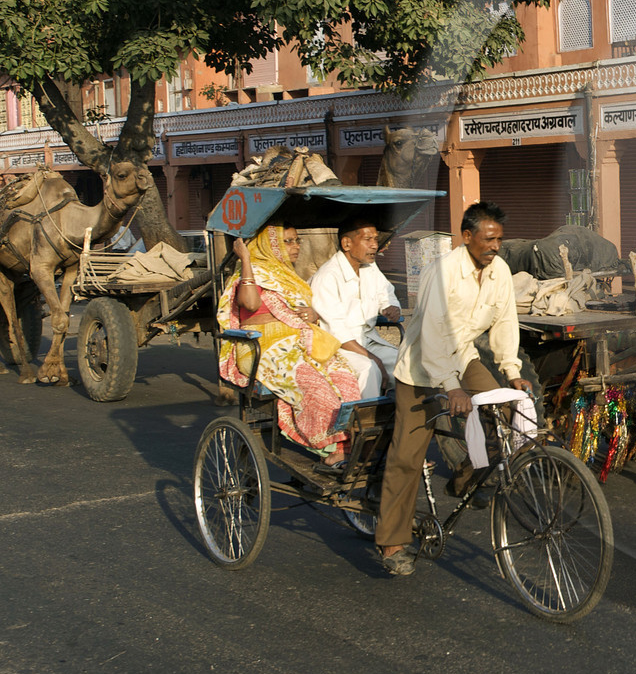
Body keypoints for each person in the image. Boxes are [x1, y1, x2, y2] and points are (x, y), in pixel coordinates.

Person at [374, 201, 533, 577]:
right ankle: (392, 541)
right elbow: (432, 333)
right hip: (420, 370)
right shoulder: (442, 272)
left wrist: (512, 371)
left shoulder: (500, 271)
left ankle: (466, 478)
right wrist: (451, 387)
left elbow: (506, 322)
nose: (495, 246)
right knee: (407, 457)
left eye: (499, 239)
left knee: (503, 414)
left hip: (462, 358)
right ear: (467, 237)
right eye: (488, 239)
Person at [217, 225, 362, 469]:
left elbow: (308, 311)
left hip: (299, 341)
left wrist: (312, 313)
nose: (296, 246)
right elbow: (250, 304)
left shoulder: (288, 276)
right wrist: (247, 259)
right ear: (269, 246)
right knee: (316, 387)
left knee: (346, 377)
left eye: (296, 240)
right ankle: (331, 445)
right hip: (262, 346)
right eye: (288, 241)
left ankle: (345, 445)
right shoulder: (253, 273)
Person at [310, 217, 402, 400]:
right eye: (368, 240)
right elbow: (337, 333)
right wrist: (373, 358)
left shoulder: (370, 268)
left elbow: (386, 292)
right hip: (339, 347)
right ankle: (365, 422)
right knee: (369, 369)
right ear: (347, 244)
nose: (375, 245)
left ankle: (398, 418)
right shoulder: (327, 277)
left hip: (368, 340)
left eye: (376, 239)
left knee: (404, 363)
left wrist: (390, 307)